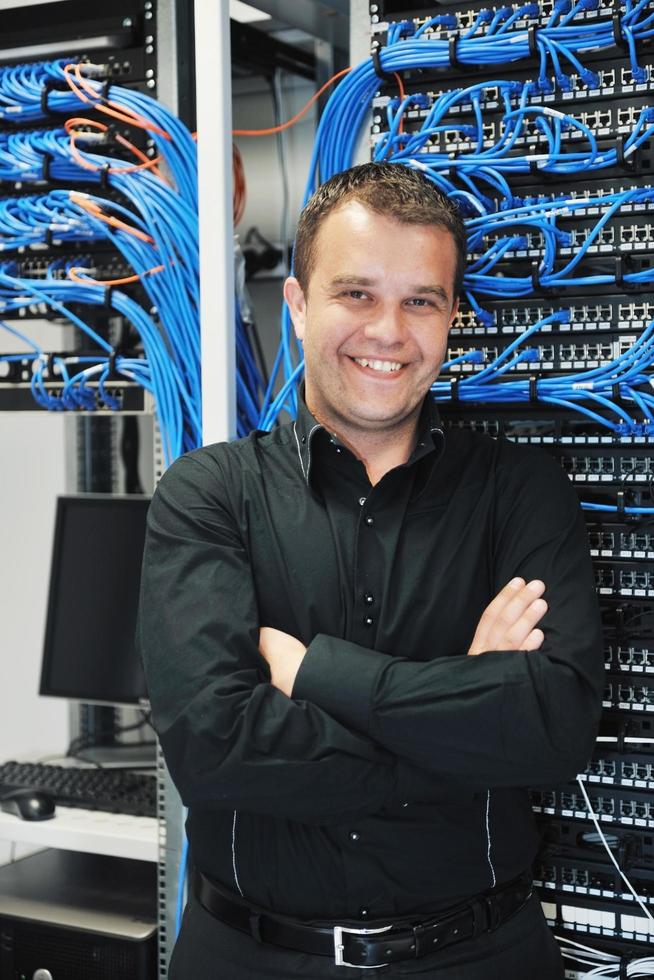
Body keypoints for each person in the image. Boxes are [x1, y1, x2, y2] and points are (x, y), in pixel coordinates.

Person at [138, 162, 604, 979]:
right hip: (248, 958)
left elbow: (555, 729)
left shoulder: (519, 493)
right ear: (298, 305)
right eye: (356, 294)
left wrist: (320, 674)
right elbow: (213, 750)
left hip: (479, 956)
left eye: (420, 299)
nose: (389, 330)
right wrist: (466, 707)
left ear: (451, 317)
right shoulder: (209, 495)